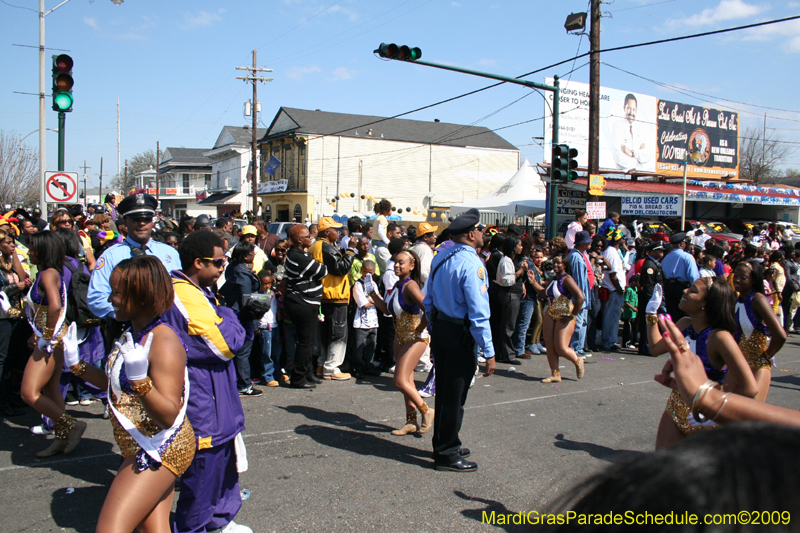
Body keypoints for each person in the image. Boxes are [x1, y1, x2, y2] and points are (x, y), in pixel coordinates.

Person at [63, 255, 195, 533]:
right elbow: (116, 387)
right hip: (138, 445)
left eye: (117, 293)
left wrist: (141, 382)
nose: (110, 299)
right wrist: (78, 366)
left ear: (142, 295)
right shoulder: (133, 334)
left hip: (159, 446)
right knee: (154, 529)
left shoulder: (163, 340)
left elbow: (169, 415)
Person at [162, 230, 253, 533]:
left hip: (218, 396)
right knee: (202, 477)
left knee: (224, 469)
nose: (223, 266)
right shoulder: (181, 294)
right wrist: (228, 314)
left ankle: (219, 521)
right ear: (198, 263)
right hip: (202, 400)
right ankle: (194, 528)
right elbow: (222, 344)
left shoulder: (200, 290)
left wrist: (225, 318)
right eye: (218, 261)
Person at [645, 277, 759, 449]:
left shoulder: (720, 338)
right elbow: (655, 348)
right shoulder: (684, 324)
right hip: (676, 407)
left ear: (706, 303)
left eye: (693, 291)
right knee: (664, 467)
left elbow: (750, 388)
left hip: (708, 416)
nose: (685, 292)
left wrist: (717, 411)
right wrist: (651, 314)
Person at [423, 208, 495, 472]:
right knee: (455, 395)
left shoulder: (442, 256)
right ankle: (447, 452)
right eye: (482, 231)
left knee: (445, 391)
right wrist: (488, 350)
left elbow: (428, 299)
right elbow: (479, 312)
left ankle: (444, 441)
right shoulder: (472, 263)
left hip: (443, 329)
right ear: (471, 234)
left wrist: (435, 328)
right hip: (459, 334)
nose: (484, 235)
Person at [20, 231, 87, 456]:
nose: (29, 252)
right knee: (51, 390)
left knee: (29, 393)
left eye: (32, 248)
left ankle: (72, 425)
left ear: (43, 250)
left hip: (51, 342)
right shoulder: (47, 272)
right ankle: (61, 437)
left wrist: (45, 336)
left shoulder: (48, 274)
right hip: (53, 339)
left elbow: (55, 306)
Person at [87, 193, 181, 325]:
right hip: (126, 327)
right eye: (135, 219)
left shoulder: (170, 253)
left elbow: (180, 292)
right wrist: (130, 314)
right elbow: (96, 299)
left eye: (146, 218)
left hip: (167, 324)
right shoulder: (111, 256)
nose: (141, 223)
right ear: (125, 221)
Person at [370, 250, 434, 436]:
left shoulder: (411, 285)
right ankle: (411, 421)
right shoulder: (399, 285)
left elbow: (427, 307)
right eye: (395, 262)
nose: (397, 265)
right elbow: (387, 310)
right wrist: (373, 294)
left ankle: (426, 411)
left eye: (401, 262)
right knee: (408, 382)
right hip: (400, 338)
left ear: (412, 265)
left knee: (399, 381)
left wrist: (421, 327)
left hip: (415, 338)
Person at [309, 217, 356, 381]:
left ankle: (323, 364)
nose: (339, 232)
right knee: (338, 332)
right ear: (327, 232)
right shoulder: (326, 247)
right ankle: (332, 367)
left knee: (325, 332)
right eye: (336, 230)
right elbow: (342, 268)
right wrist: (350, 251)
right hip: (334, 294)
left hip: (324, 294)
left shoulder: (315, 246)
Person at [732, 260, 787, 402]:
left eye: (743, 277)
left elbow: (780, 335)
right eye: (735, 275)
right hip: (739, 366)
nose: (737, 279)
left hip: (758, 366)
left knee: (750, 415)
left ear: (753, 280)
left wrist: (766, 355)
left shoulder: (758, 300)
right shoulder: (738, 300)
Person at [527, 254, 586, 383]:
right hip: (551, 312)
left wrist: (572, 314)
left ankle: (577, 360)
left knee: (561, 347)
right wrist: (533, 281)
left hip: (565, 315)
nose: (556, 265)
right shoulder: (553, 279)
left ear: (565, 264)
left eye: (559, 263)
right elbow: (543, 293)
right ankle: (555, 374)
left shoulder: (567, 279)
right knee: (550, 345)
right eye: (554, 263)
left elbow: (580, 297)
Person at [283, 224, 327, 389]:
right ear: (300, 240)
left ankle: (308, 373)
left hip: (307, 301)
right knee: (306, 342)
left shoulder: (301, 253)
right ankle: (298, 378)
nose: (312, 238)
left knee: (308, 341)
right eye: (308, 236)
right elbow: (322, 271)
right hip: (303, 302)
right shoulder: (297, 256)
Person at [220, 242, 264, 397]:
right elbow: (247, 300)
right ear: (245, 256)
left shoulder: (235, 269)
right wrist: (253, 320)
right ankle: (244, 384)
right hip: (243, 317)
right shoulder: (242, 274)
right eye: (252, 253)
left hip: (236, 314)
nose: (254, 256)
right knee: (243, 350)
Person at [492, 235, 527, 364]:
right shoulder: (506, 261)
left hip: (514, 295)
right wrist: (521, 271)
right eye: (519, 245)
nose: (521, 247)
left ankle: (504, 352)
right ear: (513, 247)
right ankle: (507, 354)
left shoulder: (512, 260)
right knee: (508, 326)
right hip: (510, 295)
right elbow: (508, 280)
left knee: (509, 324)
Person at [351, 260, 381, 378]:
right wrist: (374, 301)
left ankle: (369, 366)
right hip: (361, 321)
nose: (368, 275)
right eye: (365, 272)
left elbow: (379, 299)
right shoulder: (358, 285)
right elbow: (362, 303)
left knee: (371, 345)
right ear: (361, 271)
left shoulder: (373, 284)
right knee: (359, 346)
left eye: (370, 273)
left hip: (373, 320)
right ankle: (358, 368)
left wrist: (371, 300)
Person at [661, 232, 699, 321]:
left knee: (673, 315)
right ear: (682, 244)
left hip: (669, 287)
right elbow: (693, 276)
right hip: (683, 288)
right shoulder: (687, 257)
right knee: (685, 315)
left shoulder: (666, 257)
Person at [568, 231, 594, 358]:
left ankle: (579, 347)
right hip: (580, 296)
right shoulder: (576, 257)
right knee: (577, 323)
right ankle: (574, 348)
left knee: (583, 322)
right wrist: (579, 298)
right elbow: (577, 280)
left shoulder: (582, 255)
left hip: (585, 295)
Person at [600, 229, 626, 351]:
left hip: (612, 289)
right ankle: (609, 342)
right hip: (613, 290)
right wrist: (619, 289)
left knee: (611, 316)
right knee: (612, 317)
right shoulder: (612, 253)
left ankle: (609, 340)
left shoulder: (611, 251)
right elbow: (613, 274)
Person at [254, 269, 281, 387]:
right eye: (264, 284)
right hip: (265, 327)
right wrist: (268, 299)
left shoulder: (273, 293)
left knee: (276, 351)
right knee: (267, 353)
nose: (267, 286)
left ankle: (277, 372)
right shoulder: (259, 295)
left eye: (269, 283)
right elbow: (261, 310)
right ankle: (267, 375)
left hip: (274, 325)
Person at [637, 240, 665, 355]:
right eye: (658, 250)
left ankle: (646, 347)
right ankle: (646, 347)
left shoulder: (655, 264)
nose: (661, 252)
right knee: (647, 323)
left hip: (654, 298)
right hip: (649, 299)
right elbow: (648, 285)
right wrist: (652, 302)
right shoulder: (649, 265)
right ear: (651, 252)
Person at [611, 93, 651, 171]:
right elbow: (619, 157)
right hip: (621, 172)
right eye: (629, 108)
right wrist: (639, 161)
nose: (631, 112)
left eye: (634, 109)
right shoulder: (617, 126)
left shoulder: (641, 130)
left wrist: (632, 154)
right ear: (624, 108)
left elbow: (648, 156)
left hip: (639, 174)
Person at [411, 222, 438, 286]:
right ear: (425, 237)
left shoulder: (416, 247)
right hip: (423, 287)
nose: (435, 237)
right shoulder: (425, 250)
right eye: (433, 235)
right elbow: (424, 272)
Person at [622, 274, 639, 349]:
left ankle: (633, 341)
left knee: (634, 328)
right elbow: (626, 301)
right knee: (628, 329)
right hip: (629, 313)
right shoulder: (629, 290)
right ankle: (626, 342)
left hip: (634, 313)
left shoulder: (635, 289)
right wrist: (632, 307)